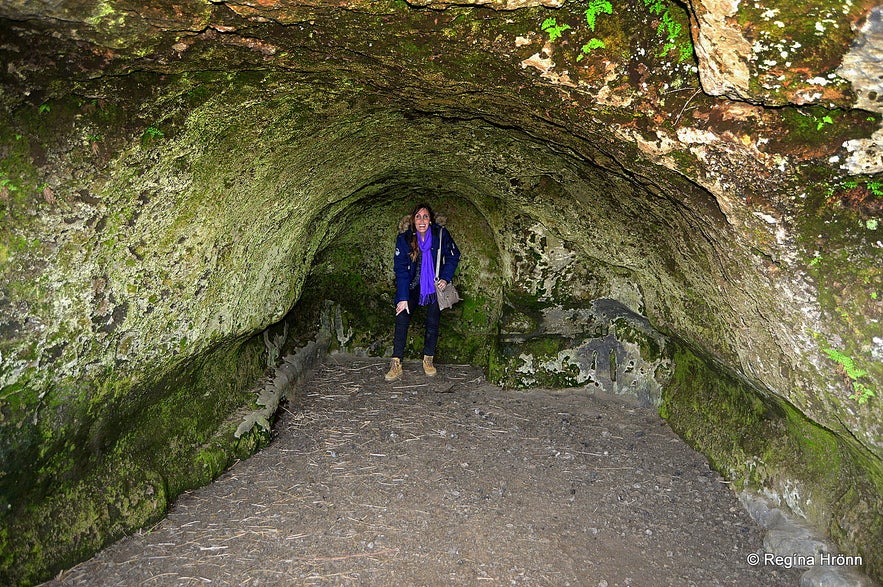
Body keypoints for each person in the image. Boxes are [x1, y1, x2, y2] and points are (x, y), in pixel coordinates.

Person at [385, 204, 461, 381]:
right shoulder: (404, 239)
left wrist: (445, 278)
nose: (422, 220)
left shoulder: (440, 235)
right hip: (411, 286)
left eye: (425, 217)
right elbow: (401, 269)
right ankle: (396, 363)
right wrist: (402, 298)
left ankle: (428, 359)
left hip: (433, 286)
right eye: (418, 217)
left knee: (433, 320)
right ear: (413, 220)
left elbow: (453, 255)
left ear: (431, 220)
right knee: (401, 317)